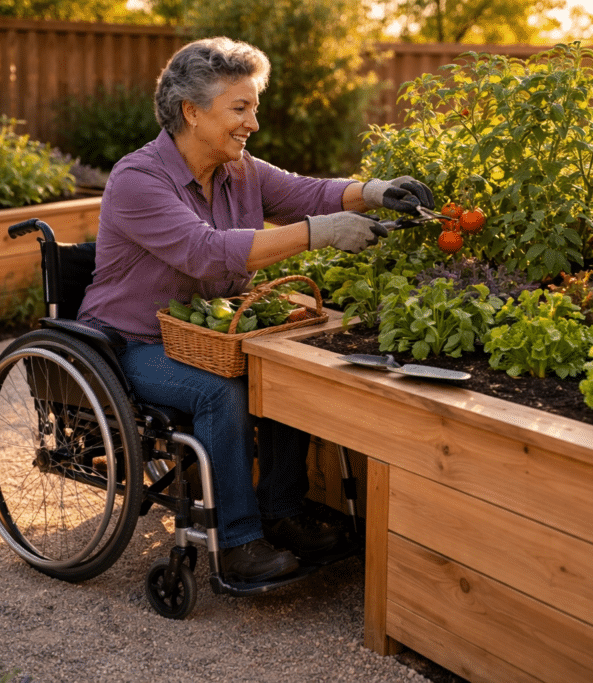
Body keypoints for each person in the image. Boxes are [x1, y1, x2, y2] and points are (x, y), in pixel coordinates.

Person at [78, 36, 434, 583]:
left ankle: (282, 514)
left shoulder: (238, 169)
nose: (253, 123)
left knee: (286, 366)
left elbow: (305, 193)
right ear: (192, 112)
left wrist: (374, 191)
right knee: (222, 391)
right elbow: (203, 251)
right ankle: (238, 542)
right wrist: (320, 234)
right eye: (240, 108)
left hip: (212, 332)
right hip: (130, 342)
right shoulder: (138, 180)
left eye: (254, 107)